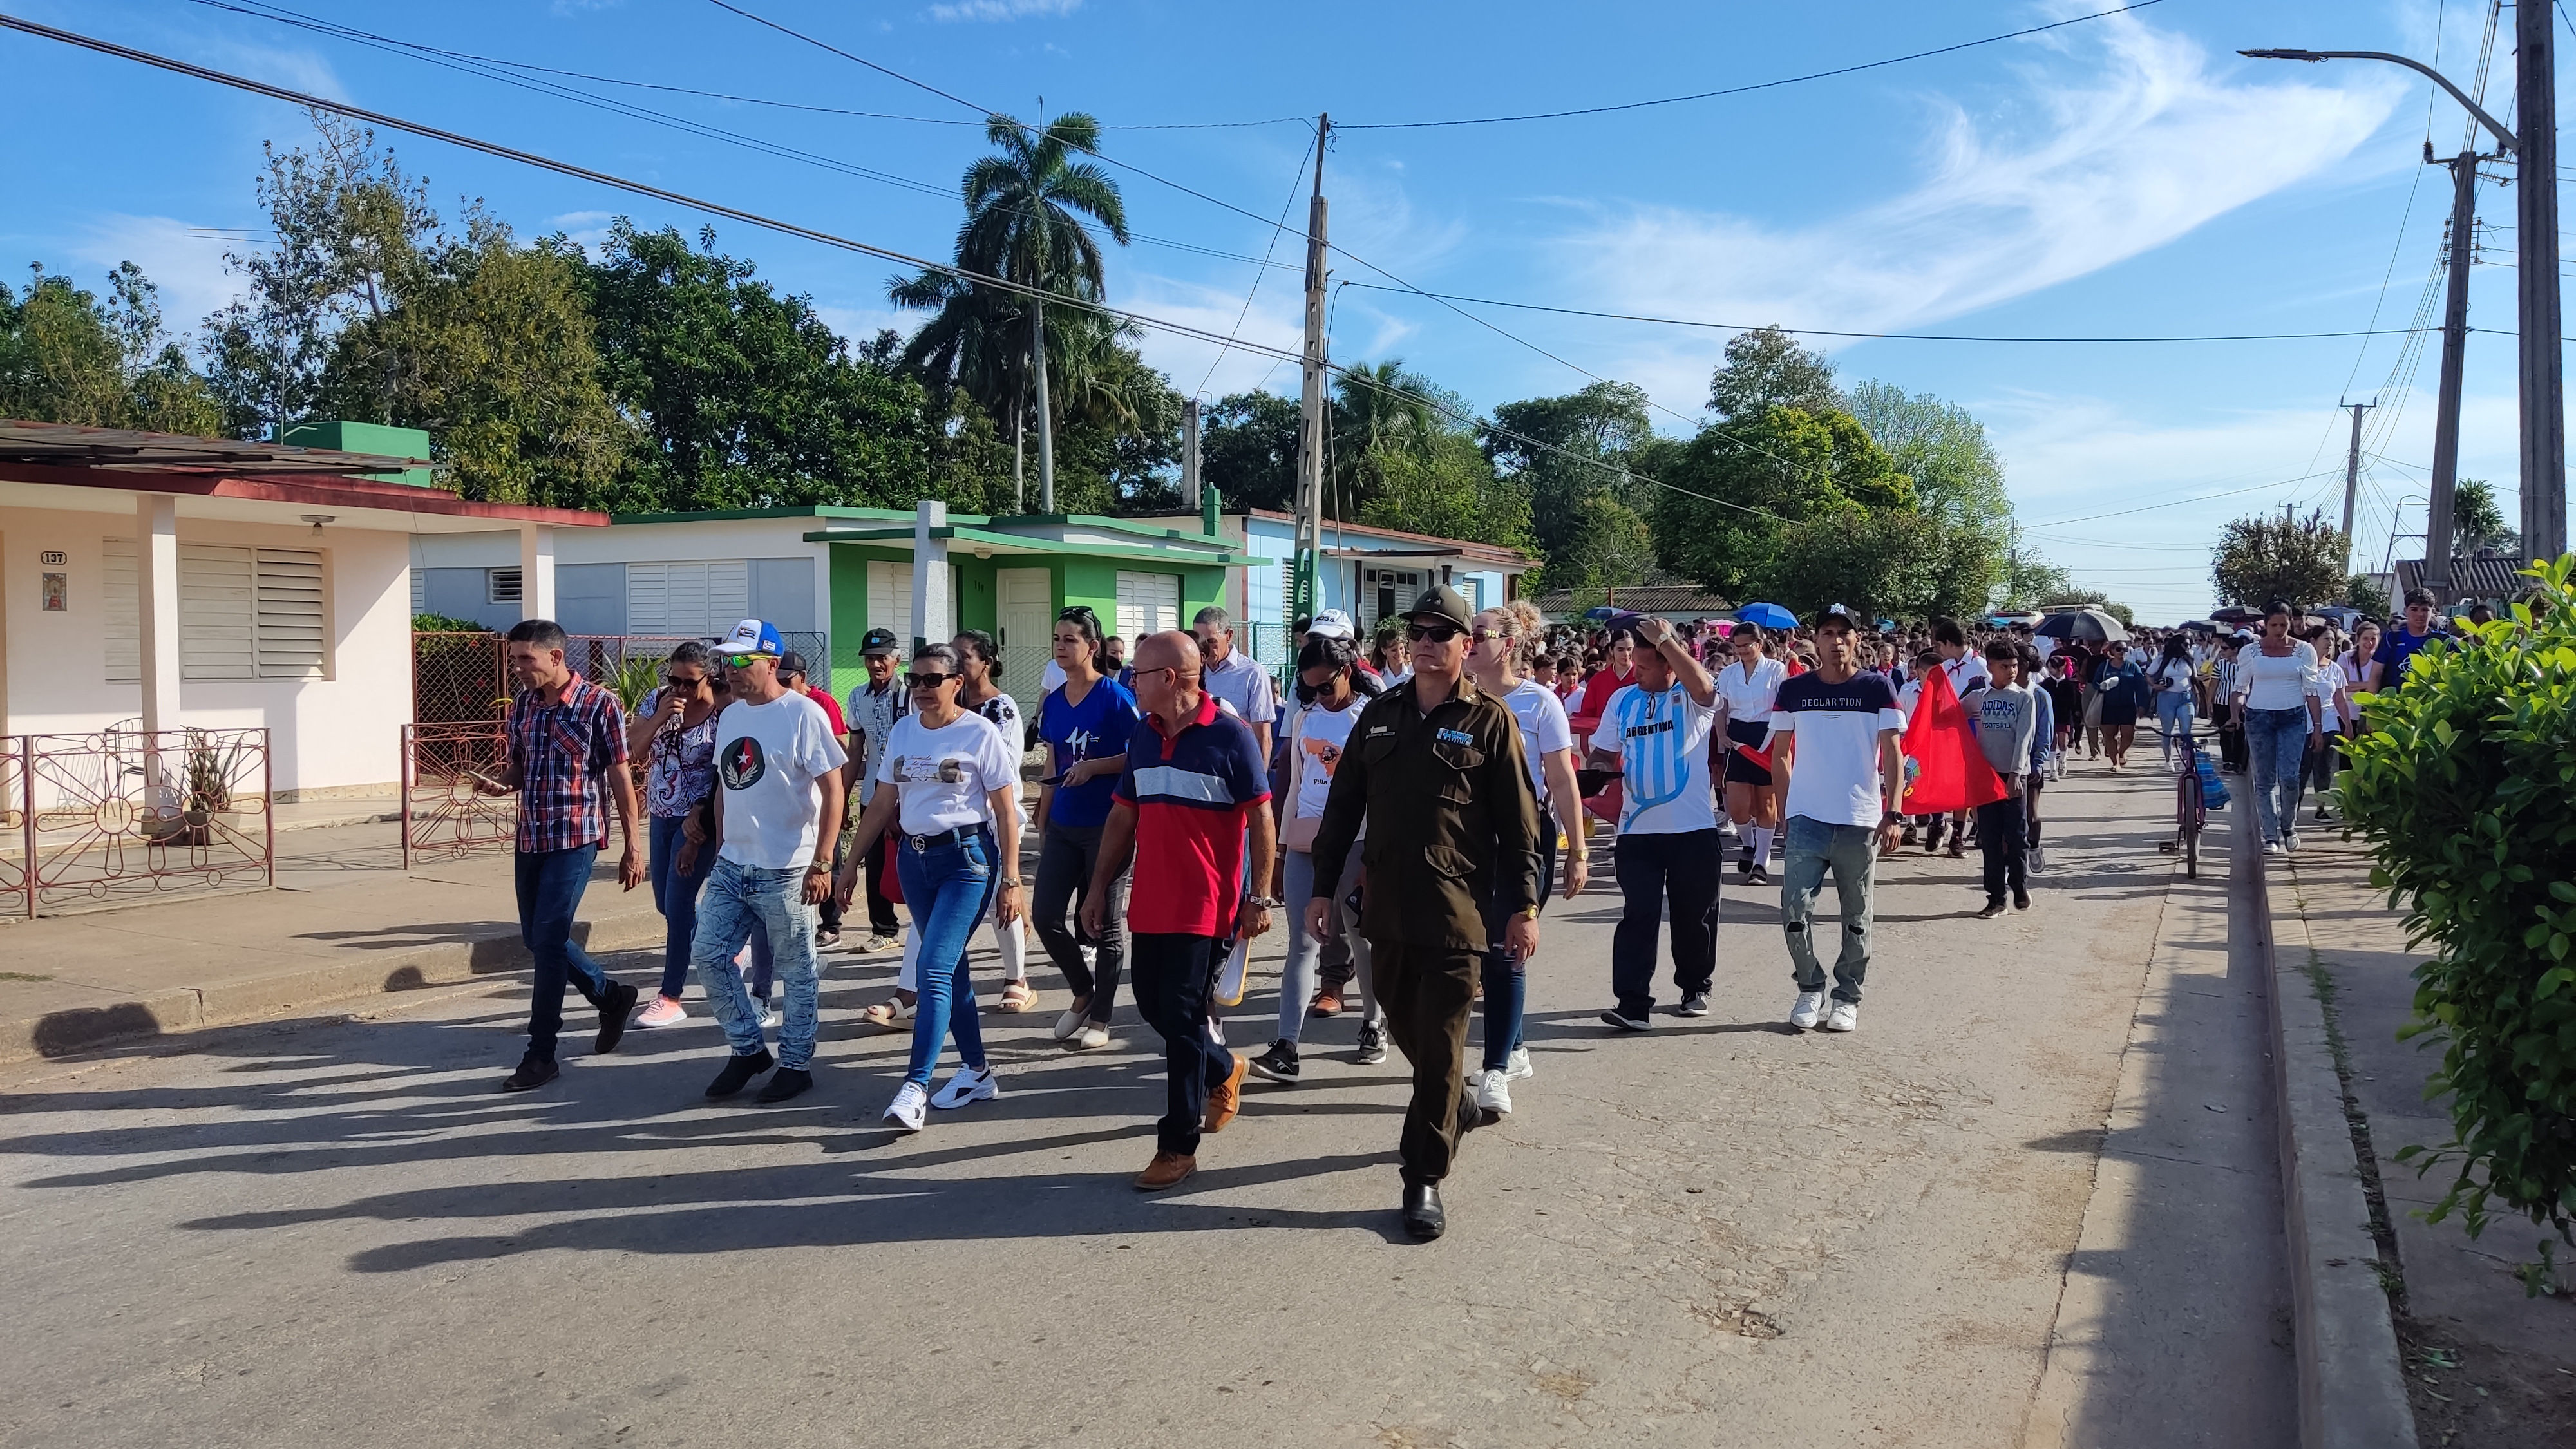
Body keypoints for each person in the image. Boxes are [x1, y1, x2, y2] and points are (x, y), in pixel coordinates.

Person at [1307, 584, 1540, 1239]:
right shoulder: (1380, 715)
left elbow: (1521, 828)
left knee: (1438, 1047)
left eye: (1443, 632)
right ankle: (1456, 1102)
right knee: (1407, 1026)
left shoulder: (1491, 721)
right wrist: (1322, 888)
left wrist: (1522, 906)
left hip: (1457, 910)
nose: (1428, 642)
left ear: (1468, 646)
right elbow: (1342, 808)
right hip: (1385, 908)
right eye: (1420, 632)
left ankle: (1423, 1177)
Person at [1083, 631, 1277, 1192]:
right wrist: (1098, 888)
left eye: (1138, 674)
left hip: (1208, 906)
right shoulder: (1144, 735)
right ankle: (1224, 1068)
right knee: (1153, 1006)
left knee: (1184, 1016)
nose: (1130, 682)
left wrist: (1258, 898)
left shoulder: (1230, 737)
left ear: (1169, 678)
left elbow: (1262, 822)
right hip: (1151, 901)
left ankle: (1177, 1144)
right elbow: (1123, 816)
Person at [838, 643, 1024, 1130]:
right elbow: (881, 803)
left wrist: (1012, 880)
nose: (921, 689)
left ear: (956, 682)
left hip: (967, 861)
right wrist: (849, 862)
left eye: (932, 680)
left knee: (933, 970)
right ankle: (978, 1072)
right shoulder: (902, 731)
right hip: (913, 862)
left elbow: (1005, 811)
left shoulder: (980, 733)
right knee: (952, 971)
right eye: (916, 680)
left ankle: (915, 1086)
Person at [477, 619, 644, 1092]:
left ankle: (541, 1053)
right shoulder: (526, 706)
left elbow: (620, 776)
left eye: (526, 659)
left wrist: (633, 845)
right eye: (514, 660)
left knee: (549, 939)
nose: (519, 669)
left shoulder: (599, 704)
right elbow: (518, 768)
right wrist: (498, 784)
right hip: (531, 837)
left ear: (556, 657)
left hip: (576, 838)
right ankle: (610, 996)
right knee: (537, 939)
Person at [686, 620, 848, 1103]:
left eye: (741, 660)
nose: (730, 671)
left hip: (788, 867)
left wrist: (823, 861)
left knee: (797, 970)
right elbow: (724, 788)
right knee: (709, 954)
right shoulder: (731, 715)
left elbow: (834, 789)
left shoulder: (803, 714)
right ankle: (748, 1047)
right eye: (725, 661)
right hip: (734, 864)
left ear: (772, 663)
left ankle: (796, 1064)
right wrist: (719, 850)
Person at [1465, 601, 1587, 1117]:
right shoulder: (1460, 700)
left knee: (1508, 948)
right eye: (1466, 634)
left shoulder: (1540, 703)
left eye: (1479, 634)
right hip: (1468, 839)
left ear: (1508, 645)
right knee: (1480, 954)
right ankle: (1513, 1050)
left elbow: (1561, 782)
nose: (1469, 642)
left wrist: (1576, 852)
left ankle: (1495, 1071)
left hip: (1525, 838)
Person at [1253, 632, 1385, 1085]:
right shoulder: (1306, 717)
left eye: (1325, 686)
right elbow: (1292, 788)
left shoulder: (1369, 717)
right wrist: (1282, 850)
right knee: (1302, 943)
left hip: (1355, 841)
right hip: (1307, 840)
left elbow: (1383, 794)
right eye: (1308, 689)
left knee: (1359, 937)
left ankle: (1373, 1022)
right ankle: (1286, 1046)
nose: (1317, 695)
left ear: (1347, 673)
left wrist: (1373, 857)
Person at [1770, 607, 1907, 1034]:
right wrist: (1786, 811)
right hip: (1807, 819)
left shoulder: (1877, 687)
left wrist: (1894, 812)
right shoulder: (1793, 690)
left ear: (1856, 639)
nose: (1835, 641)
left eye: (1843, 633)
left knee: (1857, 915)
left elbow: (1895, 756)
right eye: (1827, 633)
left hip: (1859, 821)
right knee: (1794, 909)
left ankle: (1847, 996)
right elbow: (1779, 755)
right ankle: (1810, 986)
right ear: (1817, 639)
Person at [1591, 613, 1722, 1030]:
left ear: (1669, 663)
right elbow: (1603, 752)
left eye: (1646, 666)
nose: (1637, 672)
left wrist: (1667, 641)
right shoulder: (1622, 700)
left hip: (1693, 830)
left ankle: (1695, 986)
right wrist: (1595, 769)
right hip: (1637, 831)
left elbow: (1706, 687)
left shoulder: (1691, 697)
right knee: (1639, 915)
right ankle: (1632, 1004)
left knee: (1694, 915)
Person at [1031, 605, 1140, 1052]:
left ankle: (1102, 1017)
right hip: (1064, 823)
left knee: (1103, 924)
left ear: (1092, 647)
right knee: (1044, 916)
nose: (1061, 646)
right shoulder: (1055, 701)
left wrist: (1095, 767)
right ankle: (1083, 990)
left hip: (1108, 825)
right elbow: (1056, 758)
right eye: (1057, 638)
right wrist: (1044, 806)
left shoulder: (1116, 697)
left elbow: (1140, 753)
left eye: (1070, 639)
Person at [629, 642, 723, 1028]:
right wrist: (659, 717)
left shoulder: (724, 711)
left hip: (698, 821)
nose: (680, 689)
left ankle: (671, 996)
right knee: (666, 905)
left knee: (680, 904)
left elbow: (723, 775)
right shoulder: (658, 700)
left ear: (708, 676)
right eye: (673, 680)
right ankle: (719, 944)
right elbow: (632, 751)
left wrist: (700, 827)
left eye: (689, 682)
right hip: (662, 814)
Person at [950, 629, 1037, 1012]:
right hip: (957, 818)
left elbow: (1000, 767)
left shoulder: (1001, 709)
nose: (957, 663)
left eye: (964, 656)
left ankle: (1016, 977)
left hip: (997, 816)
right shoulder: (946, 705)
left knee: (1005, 895)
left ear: (985, 663)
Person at [2230, 600, 2326, 856]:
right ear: (2266, 625)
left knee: (2290, 777)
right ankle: (2270, 835)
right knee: (2264, 779)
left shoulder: (2304, 650)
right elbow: (2241, 687)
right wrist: (2235, 712)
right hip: (2259, 717)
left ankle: (2289, 826)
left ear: (2290, 623)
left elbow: (2312, 690)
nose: (2279, 630)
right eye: (2274, 625)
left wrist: (2317, 726)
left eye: (2284, 625)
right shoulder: (2251, 652)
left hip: (2293, 717)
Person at [777, 651, 849, 949]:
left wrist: (837, 796)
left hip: (824, 794)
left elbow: (841, 746)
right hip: (795, 803)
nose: (780, 685)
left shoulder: (821, 704)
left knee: (828, 859)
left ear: (802, 679)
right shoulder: (777, 705)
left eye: (786, 680)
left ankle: (831, 923)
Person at [1961, 641, 2038, 918]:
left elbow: (2024, 738)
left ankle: (2019, 885)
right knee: (1990, 839)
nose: (2011, 671)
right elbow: (1952, 714)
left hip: (2014, 776)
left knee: (2016, 837)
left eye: (2014, 666)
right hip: (1987, 778)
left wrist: (2017, 773)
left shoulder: (2024, 698)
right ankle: (1996, 898)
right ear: (1990, 666)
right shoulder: (1978, 697)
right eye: (2004, 666)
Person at [842, 628, 907, 954]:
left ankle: (928, 926)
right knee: (876, 861)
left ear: (897, 660)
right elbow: (855, 750)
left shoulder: (910, 695)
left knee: (916, 861)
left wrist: (897, 806)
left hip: (910, 794)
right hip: (872, 793)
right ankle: (884, 929)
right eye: (870, 658)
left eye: (883, 658)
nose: (876, 664)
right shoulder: (857, 697)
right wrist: (842, 798)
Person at [1715, 626, 1788, 883]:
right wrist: (1722, 735)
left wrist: (1780, 740)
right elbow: (1721, 708)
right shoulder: (1728, 673)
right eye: (1738, 645)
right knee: (1737, 804)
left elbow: (1784, 705)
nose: (1743, 650)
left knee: (1767, 802)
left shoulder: (1776, 669)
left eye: (1748, 644)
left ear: (1760, 643)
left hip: (1767, 736)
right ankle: (1748, 843)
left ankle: (1761, 862)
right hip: (1737, 737)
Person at [1192, 605, 1280, 759]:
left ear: (1229, 635)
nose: (1204, 649)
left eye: (1211, 642)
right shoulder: (1193, 672)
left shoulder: (1253, 673)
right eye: (1200, 642)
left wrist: (1258, 779)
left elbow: (1263, 737)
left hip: (1236, 766)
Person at [2367, 589, 2448, 690]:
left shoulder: (2444, 641)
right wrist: (2370, 704)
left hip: (2430, 703)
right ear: (2406, 611)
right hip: (2394, 703)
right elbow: (2376, 674)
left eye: (2425, 610)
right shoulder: (2391, 638)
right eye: (2414, 609)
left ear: (2433, 611)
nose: (2420, 614)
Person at [2090, 641, 2145, 770]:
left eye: (2125, 650)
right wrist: (2102, 687)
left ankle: (2121, 752)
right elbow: (2095, 682)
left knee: (2129, 735)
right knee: (2109, 735)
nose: (2122, 652)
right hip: (2108, 705)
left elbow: (2141, 687)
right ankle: (2115, 762)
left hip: (2128, 705)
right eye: (2119, 649)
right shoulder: (2104, 667)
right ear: (2112, 651)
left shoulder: (2133, 667)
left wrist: (2142, 705)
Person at [2146, 635, 2198, 772]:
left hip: (2186, 697)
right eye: (2186, 645)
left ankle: (2184, 759)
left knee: (2186, 731)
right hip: (2166, 697)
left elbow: (2194, 677)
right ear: (2177, 645)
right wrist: (2155, 686)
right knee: (2167, 732)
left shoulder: (2189, 660)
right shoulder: (2162, 660)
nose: (2188, 648)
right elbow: (2148, 674)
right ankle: (2168, 760)